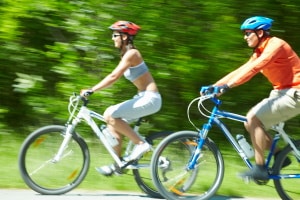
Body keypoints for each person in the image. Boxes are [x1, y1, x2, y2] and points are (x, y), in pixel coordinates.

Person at [201, 16, 300, 180]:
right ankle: (281, 156)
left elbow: (254, 69)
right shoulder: (259, 51)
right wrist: (215, 86)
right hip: (281, 92)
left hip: (295, 92)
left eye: (248, 33)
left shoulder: (275, 45)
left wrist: (227, 87)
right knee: (250, 123)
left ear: (260, 32)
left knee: (253, 118)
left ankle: (260, 168)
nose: (245, 37)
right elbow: (243, 69)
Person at [80, 21, 162, 176]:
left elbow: (113, 77)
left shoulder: (133, 54)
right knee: (111, 122)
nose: (112, 38)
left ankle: (141, 144)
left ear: (124, 37)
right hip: (142, 97)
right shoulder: (126, 55)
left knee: (110, 114)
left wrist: (92, 89)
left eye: (115, 35)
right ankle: (119, 164)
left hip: (151, 99)